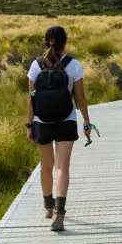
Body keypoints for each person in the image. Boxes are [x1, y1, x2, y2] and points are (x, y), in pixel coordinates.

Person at [25, 26, 91, 232]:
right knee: (61, 167)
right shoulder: (74, 66)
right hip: (66, 120)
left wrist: (29, 126)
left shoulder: (35, 66)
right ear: (65, 42)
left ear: (47, 41)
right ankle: (59, 214)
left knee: (46, 166)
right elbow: (80, 98)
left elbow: (31, 99)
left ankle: (48, 206)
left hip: (41, 121)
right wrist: (87, 122)